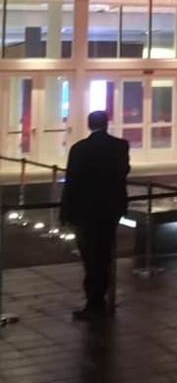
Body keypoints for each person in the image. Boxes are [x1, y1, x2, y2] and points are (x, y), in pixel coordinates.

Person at [60, 110, 130, 321]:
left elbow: (72, 182)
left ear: (89, 125)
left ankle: (94, 302)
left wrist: (66, 212)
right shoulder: (120, 146)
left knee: (91, 258)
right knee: (105, 253)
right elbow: (123, 171)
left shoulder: (80, 149)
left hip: (86, 211)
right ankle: (101, 296)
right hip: (110, 209)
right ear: (107, 124)